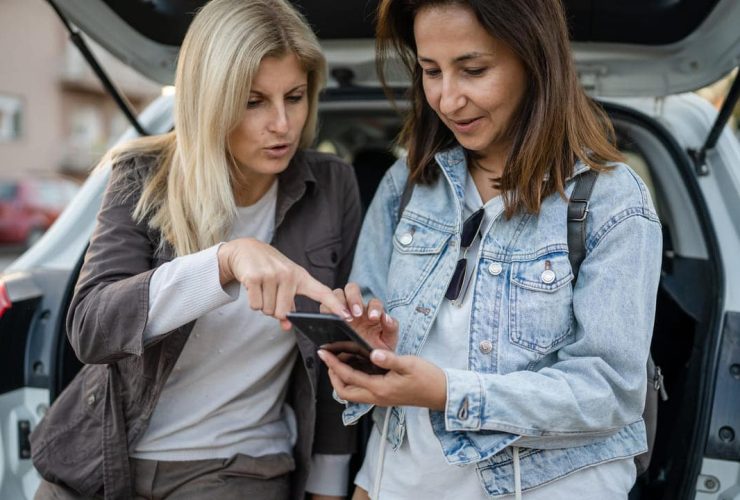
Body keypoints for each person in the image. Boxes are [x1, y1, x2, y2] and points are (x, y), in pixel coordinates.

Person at [317, 0, 663, 498]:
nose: (447, 99)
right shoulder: (408, 183)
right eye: (430, 71)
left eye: (473, 70)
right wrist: (366, 347)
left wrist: (448, 393)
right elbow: (371, 331)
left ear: (534, 59)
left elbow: (609, 391)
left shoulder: (612, 200)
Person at [30, 0, 361, 498]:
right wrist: (224, 262)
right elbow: (91, 328)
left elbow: (338, 351)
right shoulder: (142, 175)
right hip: (96, 458)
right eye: (254, 102)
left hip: (238, 466)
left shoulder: (332, 186)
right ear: (211, 101)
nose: (282, 124)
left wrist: (329, 486)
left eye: (294, 97)